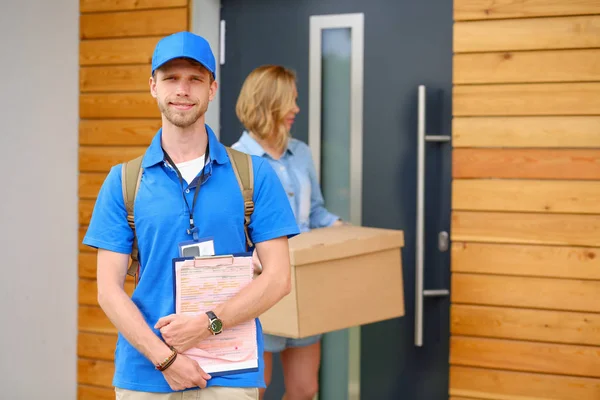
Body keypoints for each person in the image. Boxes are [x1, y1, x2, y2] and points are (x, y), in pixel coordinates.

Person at [83, 32, 300, 400]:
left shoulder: (254, 176)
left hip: (230, 372)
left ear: (212, 89)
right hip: (146, 375)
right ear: (153, 86)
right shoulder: (123, 182)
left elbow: (278, 278)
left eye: (195, 79)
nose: (183, 89)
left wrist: (207, 323)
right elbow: (108, 290)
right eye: (171, 78)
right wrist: (166, 359)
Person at [232, 65, 343, 400]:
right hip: (258, 287)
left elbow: (316, 212)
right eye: (289, 101)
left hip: (304, 285)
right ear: (267, 103)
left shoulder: (302, 153)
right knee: (254, 391)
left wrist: (342, 231)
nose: (296, 109)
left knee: (305, 390)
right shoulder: (235, 160)